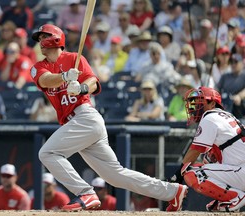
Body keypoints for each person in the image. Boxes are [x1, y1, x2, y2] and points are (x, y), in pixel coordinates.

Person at [29, 23, 187, 212]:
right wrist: (64, 77)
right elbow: (44, 80)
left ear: (55, 38)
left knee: (47, 153)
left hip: (85, 116)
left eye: (43, 37)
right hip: (77, 123)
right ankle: (172, 192)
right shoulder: (39, 66)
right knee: (115, 176)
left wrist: (82, 88)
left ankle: (85, 193)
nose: (40, 42)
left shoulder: (74, 58)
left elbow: (93, 81)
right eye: (39, 39)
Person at [169, 86, 245, 212]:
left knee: (192, 173)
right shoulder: (227, 116)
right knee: (209, 160)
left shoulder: (210, 117)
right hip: (239, 169)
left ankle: (235, 197)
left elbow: (195, 150)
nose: (195, 107)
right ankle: (226, 198)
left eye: (200, 102)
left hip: (241, 171)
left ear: (212, 103)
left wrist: (178, 173)